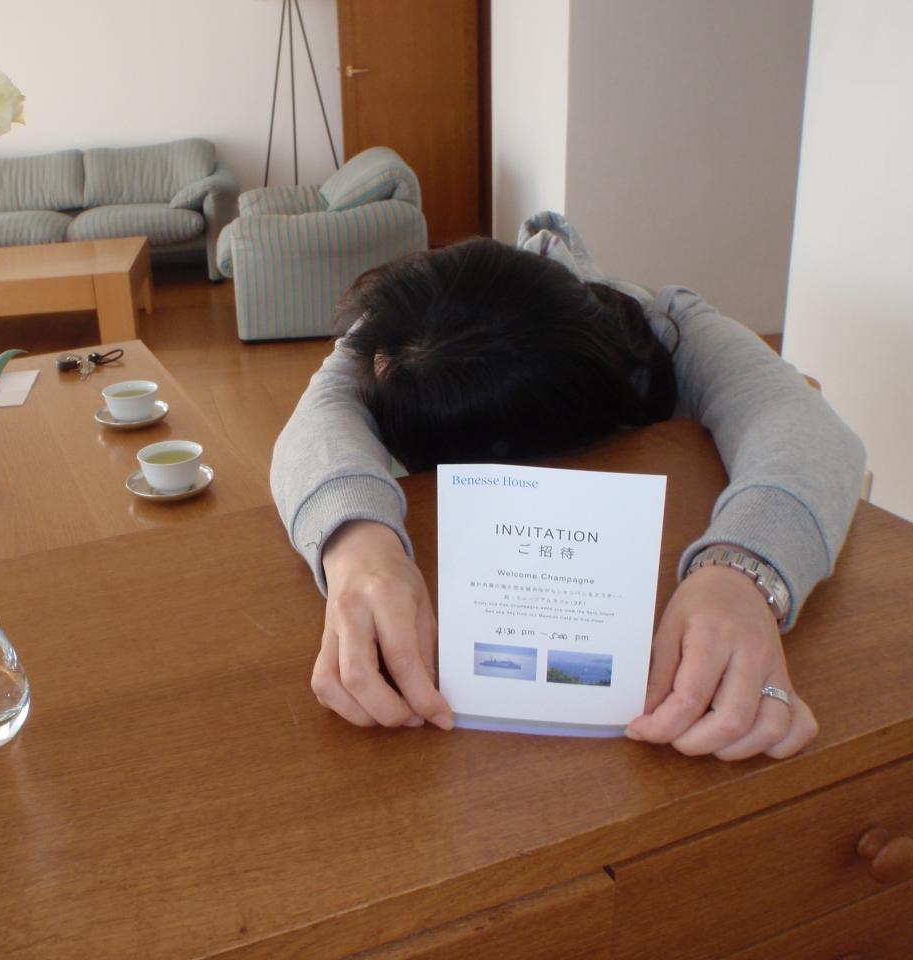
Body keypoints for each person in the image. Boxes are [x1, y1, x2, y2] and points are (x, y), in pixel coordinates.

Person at [270, 212, 866, 761]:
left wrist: (744, 573)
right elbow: (314, 427)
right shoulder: (397, 334)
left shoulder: (669, 324)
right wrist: (356, 543)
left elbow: (807, 429)